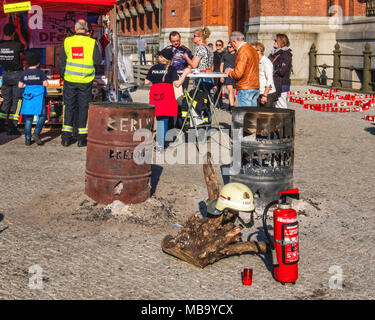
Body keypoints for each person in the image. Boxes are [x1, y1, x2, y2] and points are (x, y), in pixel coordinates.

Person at [59, 19, 102, 147]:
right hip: (85, 81)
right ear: (87, 29)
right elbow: (98, 61)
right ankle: (81, 138)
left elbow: (62, 62)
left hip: (70, 80)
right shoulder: (92, 42)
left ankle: (66, 138)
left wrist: (64, 76)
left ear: (75, 28)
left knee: (69, 106)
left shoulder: (68, 41)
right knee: (83, 108)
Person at [144, 48, 190, 152]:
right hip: (166, 96)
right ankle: (161, 144)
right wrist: (185, 73)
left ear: (162, 58)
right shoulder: (172, 69)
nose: (158, 57)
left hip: (155, 96)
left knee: (160, 119)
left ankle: (161, 141)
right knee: (164, 119)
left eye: (159, 56)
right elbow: (177, 84)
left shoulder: (153, 67)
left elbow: (146, 82)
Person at [18, 51, 48, 146]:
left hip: (28, 97)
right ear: (38, 63)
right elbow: (46, 84)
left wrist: (27, 84)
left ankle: (27, 139)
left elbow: (20, 85)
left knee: (28, 118)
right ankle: (36, 133)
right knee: (42, 115)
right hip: (39, 97)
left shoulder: (24, 73)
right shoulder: (40, 73)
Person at [0, 23, 25, 135]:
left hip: (5, 74)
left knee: (6, 101)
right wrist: (19, 32)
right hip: (16, 75)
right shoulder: (17, 44)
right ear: (13, 33)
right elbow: (25, 45)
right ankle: (12, 127)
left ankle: (1, 126)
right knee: (17, 101)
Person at [225, 31, 259, 107]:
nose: (231, 46)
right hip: (255, 86)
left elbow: (238, 74)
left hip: (245, 87)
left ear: (234, 41)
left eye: (231, 43)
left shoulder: (243, 51)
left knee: (246, 115)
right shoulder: (252, 49)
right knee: (253, 116)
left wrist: (229, 72)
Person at [268, 33, 292, 109]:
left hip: (282, 83)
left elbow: (282, 71)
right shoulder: (273, 53)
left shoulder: (286, 54)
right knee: (274, 104)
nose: (274, 42)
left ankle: (284, 120)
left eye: (276, 40)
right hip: (273, 82)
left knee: (281, 104)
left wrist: (272, 70)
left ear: (281, 42)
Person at [251, 42, 277, 108]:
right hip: (259, 92)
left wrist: (265, 95)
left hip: (268, 93)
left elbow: (269, 80)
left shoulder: (266, 62)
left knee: (266, 116)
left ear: (259, 51)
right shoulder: (257, 61)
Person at [220, 42, 237, 111]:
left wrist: (232, 69)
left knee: (232, 91)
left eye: (230, 47)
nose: (228, 48)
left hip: (235, 75)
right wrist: (221, 75)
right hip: (227, 75)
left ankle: (230, 104)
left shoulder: (237, 55)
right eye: (228, 47)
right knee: (230, 91)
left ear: (234, 47)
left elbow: (239, 66)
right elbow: (221, 64)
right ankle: (232, 107)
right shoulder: (225, 55)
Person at [213, 40, 224, 109]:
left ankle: (218, 102)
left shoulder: (224, 53)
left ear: (222, 46)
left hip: (222, 72)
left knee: (220, 87)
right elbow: (212, 64)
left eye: (219, 45)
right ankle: (217, 102)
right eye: (217, 45)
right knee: (216, 87)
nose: (218, 46)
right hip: (215, 71)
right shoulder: (213, 53)